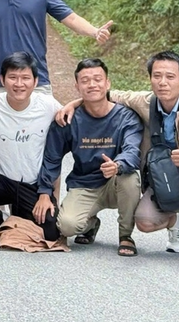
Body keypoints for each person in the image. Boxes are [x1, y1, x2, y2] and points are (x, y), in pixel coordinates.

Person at [58, 51, 179, 270]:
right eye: (157, 76)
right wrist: (73, 104)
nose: (163, 82)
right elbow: (103, 94)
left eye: (170, 77)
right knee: (145, 222)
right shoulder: (144, 102)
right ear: (150, 78)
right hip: (164, 176)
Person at [35, 58, 143, 256]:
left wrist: (118, 165)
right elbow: (52, 157)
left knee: (130, 178)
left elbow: (132, 150)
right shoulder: (68, 119)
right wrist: (44, 192)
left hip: (115, 181)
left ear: (107, 83)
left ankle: (126, 235)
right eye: (85, 81)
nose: (92, 84)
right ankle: (90, 224)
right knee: (67, 226)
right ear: (77, 86)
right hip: (84, 184)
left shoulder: (126, 117)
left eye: (97, 79)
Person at [0, 52, 61, 245]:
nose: (19, 84)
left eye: (25, 78)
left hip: (32, 184)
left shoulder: (48, 105)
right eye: (13, 77)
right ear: (2, 79)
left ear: (35, 81)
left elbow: (73, 120)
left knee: (50, 231)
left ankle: (17, 216)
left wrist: (74, 104)